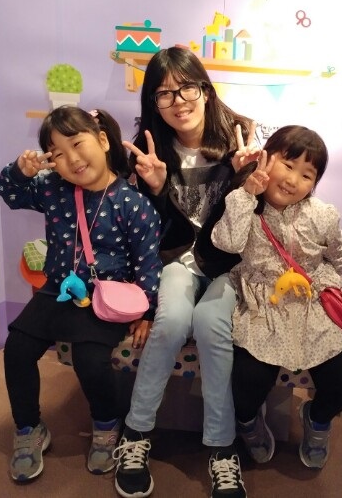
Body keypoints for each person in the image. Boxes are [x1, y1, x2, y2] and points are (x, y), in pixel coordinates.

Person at [118, 46, 259, 498]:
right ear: (153, 103)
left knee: (211, 324)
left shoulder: (242, 138)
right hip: (178, 261)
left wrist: (241, 178)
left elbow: (246, 222)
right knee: (173, 320)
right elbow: (146, 232)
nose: (178, 101)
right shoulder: (149, 150)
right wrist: (158, 189)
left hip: (226, 265)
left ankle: (221, 447)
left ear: (205, 90)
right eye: (164, 94)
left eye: (186, 89)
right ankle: (136, 432)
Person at [0, 106, 162, 483]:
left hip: (105, 297)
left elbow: (148, 262)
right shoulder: (53, 188)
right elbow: (9, 193)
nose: (71, 159)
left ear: (102, 141)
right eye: (57, 153)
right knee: (17, 349)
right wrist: (20, 171)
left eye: (77, 143)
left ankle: (106, 424)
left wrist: (146, 311)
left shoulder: (132, 202)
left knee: (91, 360)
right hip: (56, 290)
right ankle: (29, 428)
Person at [211, 125, 342, 471]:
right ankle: (249, 423)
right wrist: (247, 193)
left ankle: (317, 421)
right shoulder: (244, 203)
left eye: (307, 175)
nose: (293, 180)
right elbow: (227, 244)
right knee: (246, 385)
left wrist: (328, 286)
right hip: (263, 306)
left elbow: (338, 257)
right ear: (267, 158)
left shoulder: (323, 214)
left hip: (312, 304)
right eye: (288, 165)